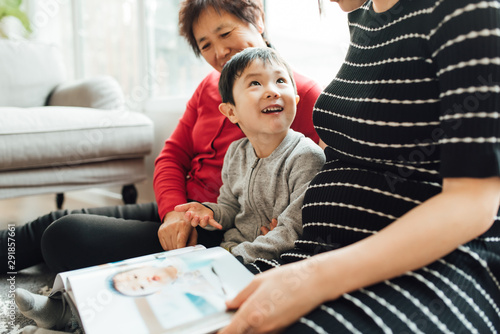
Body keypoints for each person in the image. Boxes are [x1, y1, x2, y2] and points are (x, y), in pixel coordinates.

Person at [214, 0, 500, 333]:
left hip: (436, 265)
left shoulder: (464, 9)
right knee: (197, 307)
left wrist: (316, 278)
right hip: (323, 250)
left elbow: (472, 203)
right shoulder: (362, 18)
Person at [0, 0, 322, 274]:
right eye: (205, 44)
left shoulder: (296, 96)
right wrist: (173, 211)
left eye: (225, 33)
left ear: (259, 20)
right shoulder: (209, 88)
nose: (220, 51)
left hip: (219, 231)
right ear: (230, 110)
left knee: (64, 237)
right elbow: (171, 156)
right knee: (51, 222)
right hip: (183, 210)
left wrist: (274, 230)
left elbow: (312, 184)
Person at [175, 47, 325, 264]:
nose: (272, 91)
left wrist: (234, 258)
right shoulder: (236, 153)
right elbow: (230, 209)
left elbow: (292, 230)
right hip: (228, 250)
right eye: (255, 83)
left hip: (262, 261)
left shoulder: (306, 157)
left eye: (281, 81)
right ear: (231, 112)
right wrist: (208, 212)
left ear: (296, 99)